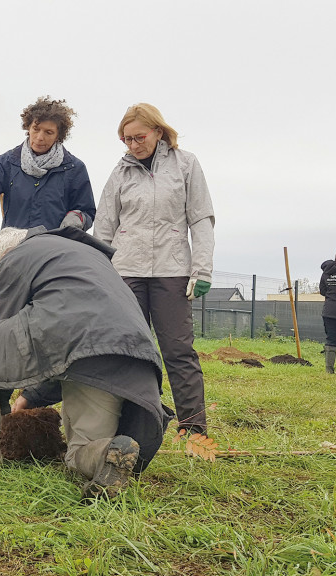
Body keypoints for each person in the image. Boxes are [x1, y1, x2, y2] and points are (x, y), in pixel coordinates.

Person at [0, 226, 171, 498]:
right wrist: (31, 397)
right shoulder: (85, 255)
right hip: (126, 363)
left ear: (3, 256)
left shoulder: (16, 257)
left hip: (80, 346)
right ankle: (108, 451)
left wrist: (3, 412)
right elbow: (64, 351)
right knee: (78, 452)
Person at [94, 103, 215, 435]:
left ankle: (193, 427)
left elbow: (201, 219)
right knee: (129, 352)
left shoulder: (186, 165)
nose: (133, 145)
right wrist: (100, 272)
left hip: (172, 271)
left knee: (178, 351)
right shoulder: (120, 172)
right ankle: (135, 425)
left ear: (158, 132)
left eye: (139, 137)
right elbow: (103, 226)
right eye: (126, 139)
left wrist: (202, 270)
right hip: (126, 272)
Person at [0, 96, 95, 231]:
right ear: (28, 127)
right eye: (36, 129)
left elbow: (87, 211)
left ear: (59, 135)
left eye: (48, 132)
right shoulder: (6, 163)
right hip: (15, 248)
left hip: (56, 249)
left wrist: (78, 218)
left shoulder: (74, 169)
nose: (40, 137)